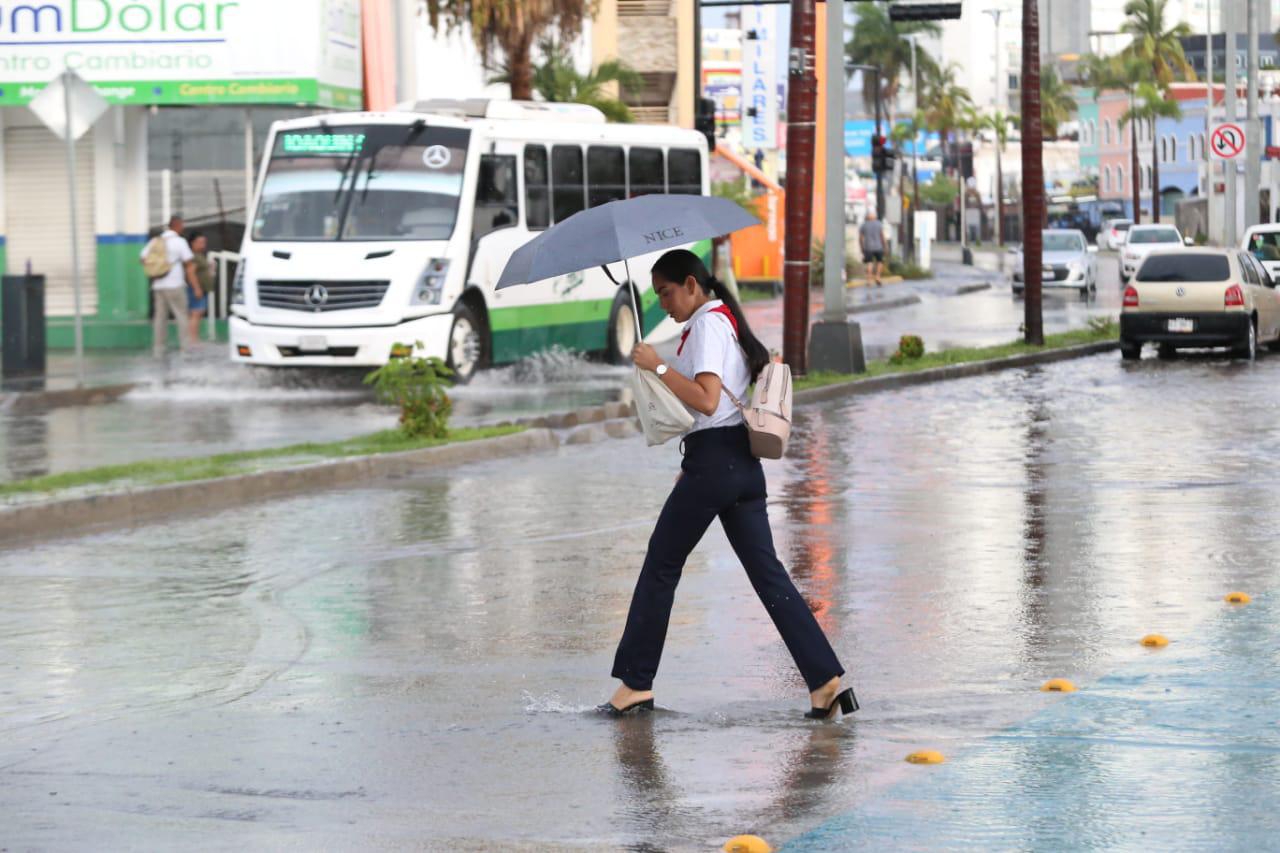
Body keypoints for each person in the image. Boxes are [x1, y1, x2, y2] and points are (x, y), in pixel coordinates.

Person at [602, 249, 856, 721]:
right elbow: (715, 410)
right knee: (768, 575)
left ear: (693, 286)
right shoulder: (721, 320)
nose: (663, 304)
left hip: (717, 463)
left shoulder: (707, 325)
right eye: (656, 295)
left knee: (661, 565)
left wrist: (656, 366)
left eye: (667, 292)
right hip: (736, 462)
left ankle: (635, 683)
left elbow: (706, 398)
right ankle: (825, 680)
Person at [141, 215, 201, 358]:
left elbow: (143, 258)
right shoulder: (180, 242)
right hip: (175, 285)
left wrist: (158, 268)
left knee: (160, 318)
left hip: (158, 285)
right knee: (181, 315)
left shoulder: (155, 241)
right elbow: (189, 263)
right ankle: (185, 349)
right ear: (178, 226)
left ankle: (159, 349)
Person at [187, 232, 213, 343]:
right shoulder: (193, 256)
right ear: (192, 243)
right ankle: (193, 339)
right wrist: (197, 288)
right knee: (195, 313)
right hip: (196, 289)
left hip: (202, 289)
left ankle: (194, 338)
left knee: (198, 313)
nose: (203, 244)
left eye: (204, 242)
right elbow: (190, 272)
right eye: (200, 242)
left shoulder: (200, 255)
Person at [859, 210, 886, 286]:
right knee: (880, 262)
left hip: (868, 247)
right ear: (874, 216)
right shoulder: (879, 224)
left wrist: (861, 247)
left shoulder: (864, 225)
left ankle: (869, 280)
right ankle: (877, 277)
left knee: (869, 263)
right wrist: (885, 246)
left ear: (867, 217)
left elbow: (861, 238)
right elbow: (882, 236)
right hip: (879, 247)